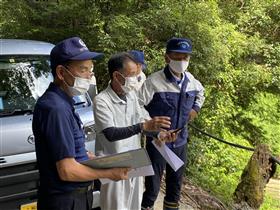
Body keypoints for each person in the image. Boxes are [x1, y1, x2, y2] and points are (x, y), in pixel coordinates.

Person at [32, 37, 130, 210]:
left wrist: (96, 159)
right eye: (83, 69)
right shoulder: (55, 108)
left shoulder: (65, 102)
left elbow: (70, 151)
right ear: (61, 73)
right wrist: (108, 173)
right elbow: (67, 170)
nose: (89, 76)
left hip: (77, 197)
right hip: (64, 201)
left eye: (90, 69)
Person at [94, 52, 177, 210]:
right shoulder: (102, 101)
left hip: (135, 163)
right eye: (132, 75)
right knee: (115, 207)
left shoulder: (132, 96)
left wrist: (160, 134)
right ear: (117, 76)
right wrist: (142, 127)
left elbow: (141, 123)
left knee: (134, 206)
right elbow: (111, 134)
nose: (136, 79)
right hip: (113, 166)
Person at [139, 38, 205, 210]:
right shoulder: (154, 81)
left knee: (175, 188)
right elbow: (137, 106)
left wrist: (195, 109)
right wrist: (152, 126)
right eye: (177, 56)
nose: (182, 61)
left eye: (186, 57)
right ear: (167, 57)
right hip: (158, 143)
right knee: (152, 188)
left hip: (180, 142)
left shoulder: (191, 81)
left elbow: (201, 93)